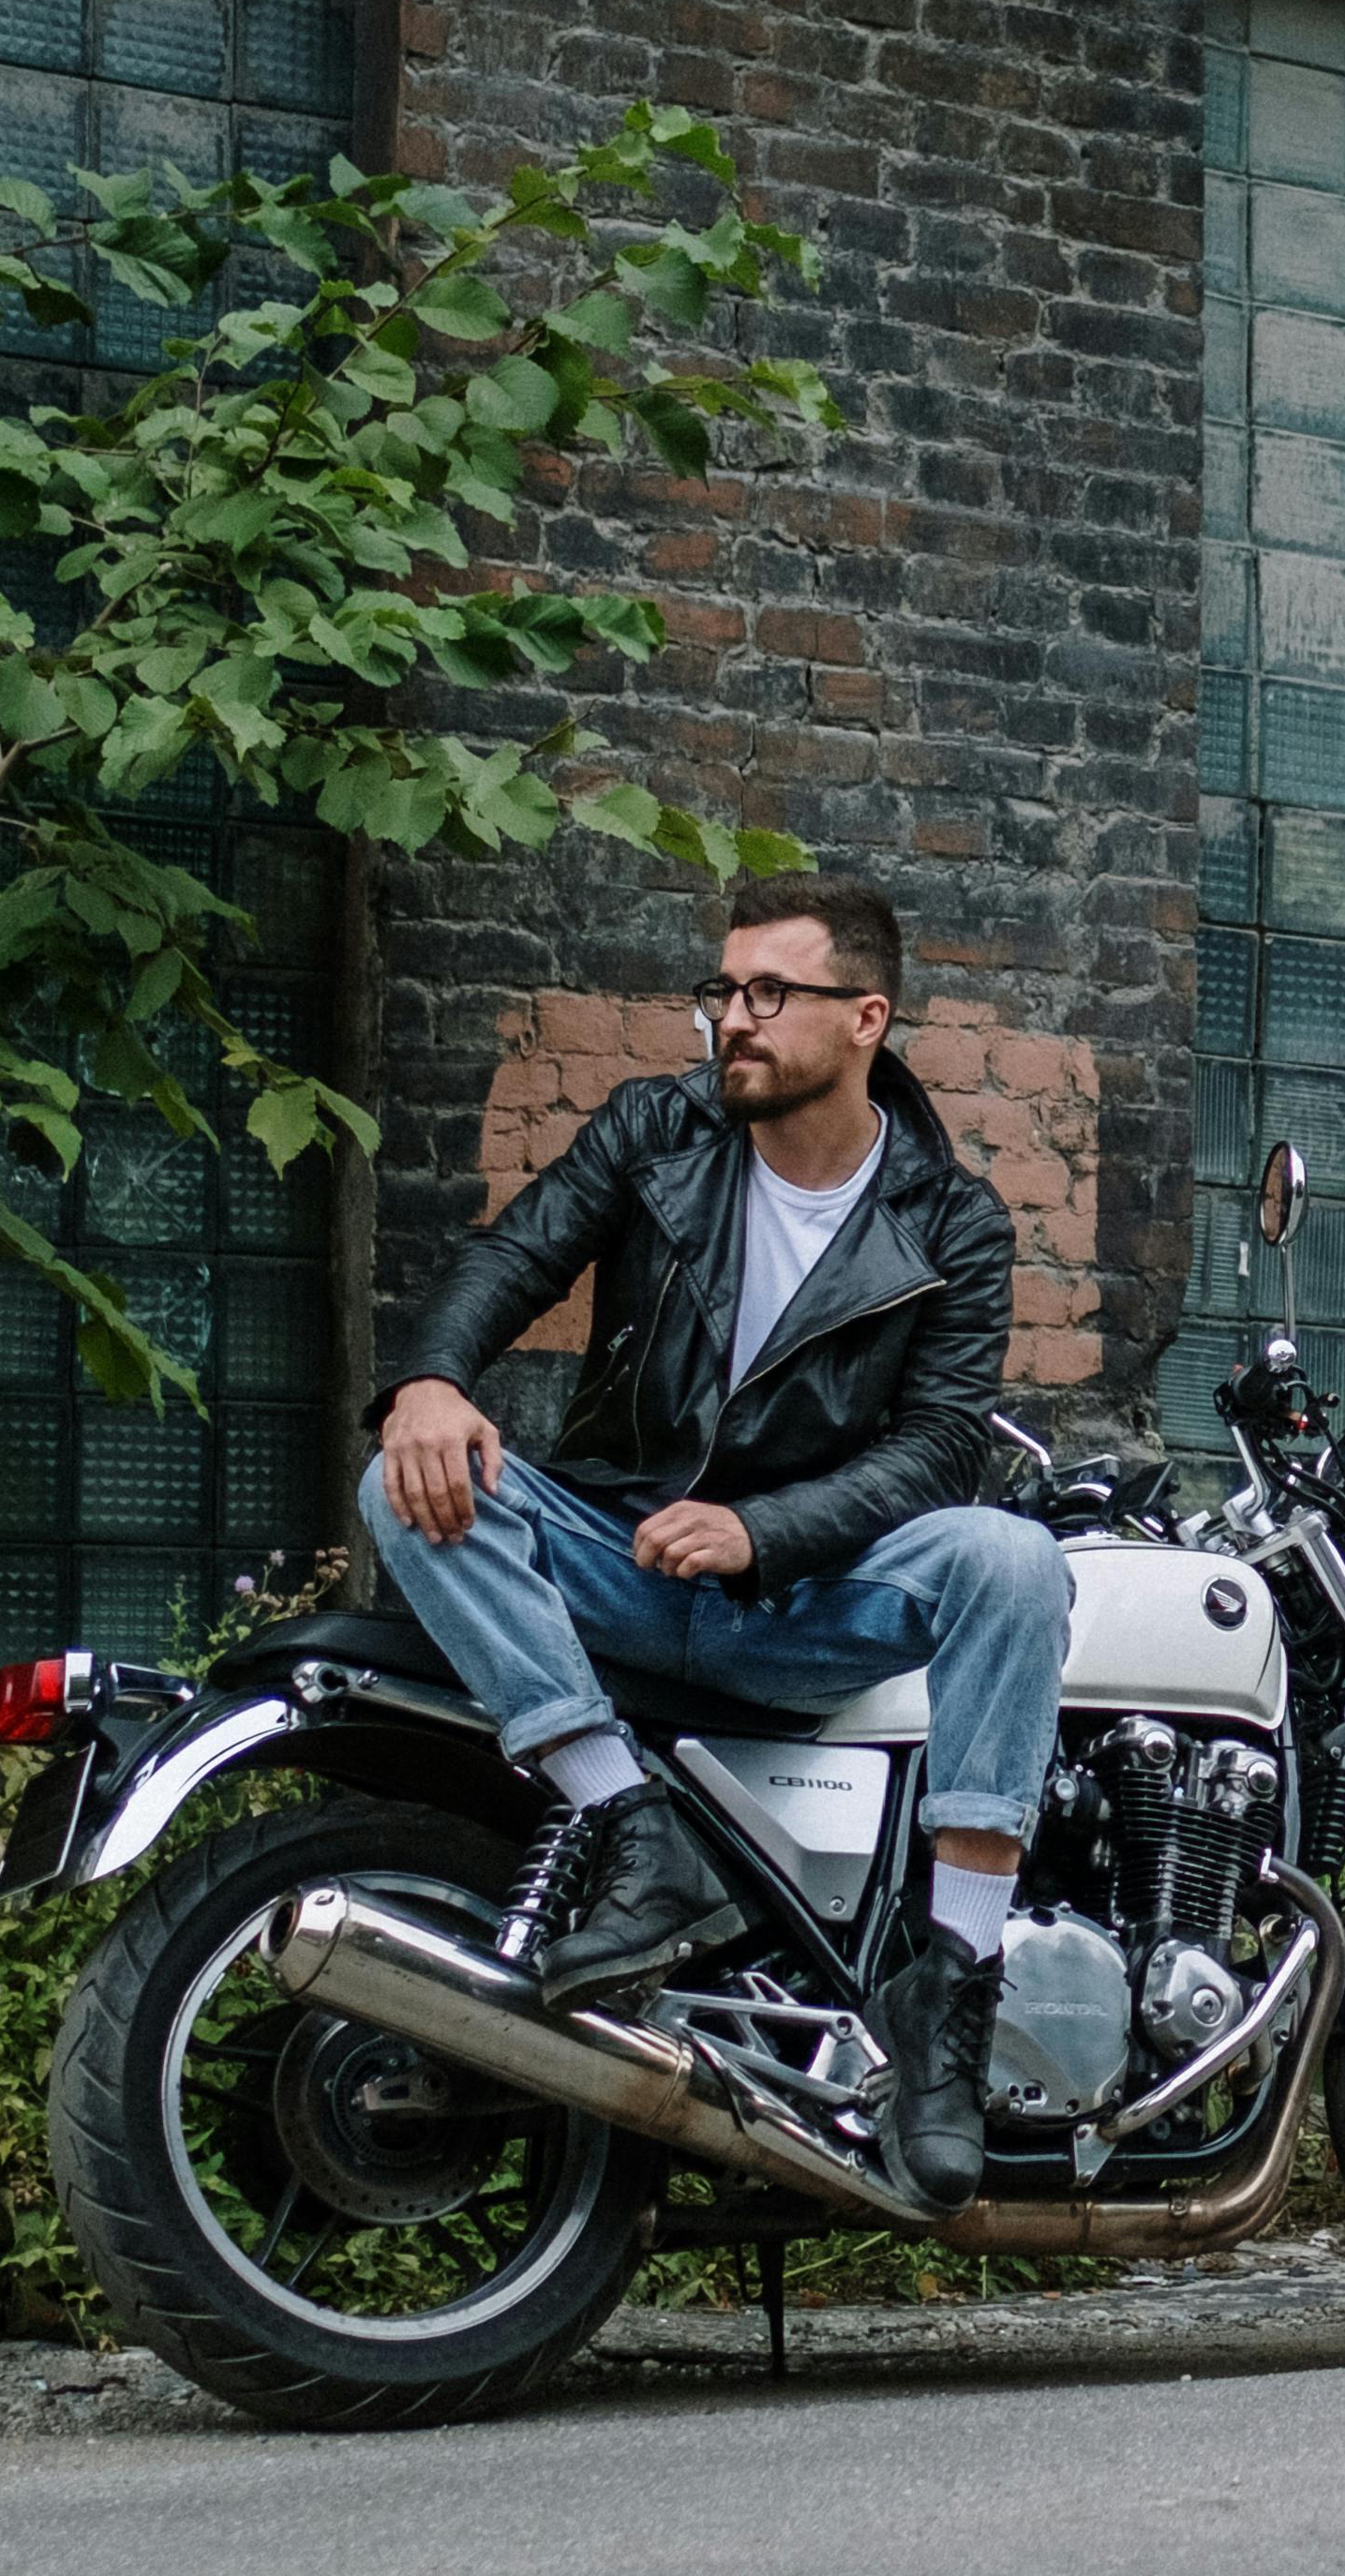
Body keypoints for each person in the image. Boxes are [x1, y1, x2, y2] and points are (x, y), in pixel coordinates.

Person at [356, 871, 1067, 2209]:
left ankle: (945, 1992)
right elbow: (517, 1256)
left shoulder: (952, 1222)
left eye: (766, 994)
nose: (731, 1020)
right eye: (722, 991)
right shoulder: (656, 1130)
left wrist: (761, 1530)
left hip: (807, 1599)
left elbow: (936, 1452)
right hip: (621, 1561)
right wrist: (430, 1382)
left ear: (865, 1018)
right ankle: (628, 1824)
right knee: (401, 1479)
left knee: (1014, 1558)